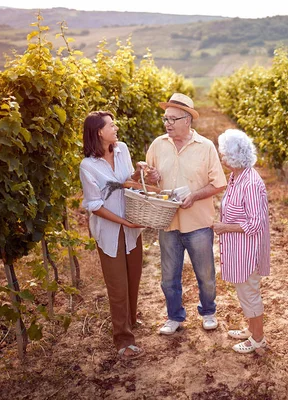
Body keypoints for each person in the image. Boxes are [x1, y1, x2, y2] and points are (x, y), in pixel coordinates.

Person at [145, 93, 227, 335]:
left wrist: (194, 196)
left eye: (172, 118)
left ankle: (209, 312)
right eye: (165, 119)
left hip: (198, 222)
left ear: (188, 120)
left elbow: (218, 184)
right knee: (169, 277)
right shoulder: (158, 145)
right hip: (168, 222)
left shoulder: (205, 147)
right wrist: (151, 179)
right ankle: (174, 316)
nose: (167, 123)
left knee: (206, 275)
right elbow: (149, 183)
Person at [79, 111, 146, 360]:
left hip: (132, 227)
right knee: (118, 286)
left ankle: (129, 321)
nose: (116, 127)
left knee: (133, 278)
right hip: (110, 232)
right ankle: (123, 340)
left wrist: (141, 176)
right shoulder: (88, 166)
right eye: (111, 124)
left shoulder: (122, 150)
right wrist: (123, 222)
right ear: (99, 131)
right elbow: (94, 205)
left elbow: (127, 182)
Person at [212, 129, 270, 354]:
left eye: (225, 154)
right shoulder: (236, 177)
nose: (222, 158)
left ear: (235, 156)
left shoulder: (251, 183)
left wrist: (224, 227)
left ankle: (258, 339)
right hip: (238, 250)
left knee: (250, 293)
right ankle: (250, 328)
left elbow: (256, 225)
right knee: (245, 293)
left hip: (248, 252)